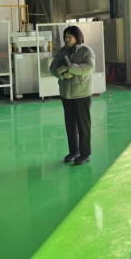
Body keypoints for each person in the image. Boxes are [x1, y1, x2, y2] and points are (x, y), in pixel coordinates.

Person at [49, 26, 95, 165]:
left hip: (82, 93)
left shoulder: (86, 51)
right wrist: (62, 75)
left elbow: (88, 68)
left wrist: (68, 67)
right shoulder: (62, 52)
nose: (67, 39)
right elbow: (53, 68)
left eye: (70, 36)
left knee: (83, 125)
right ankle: (74, 152)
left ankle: (85, 154)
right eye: (65, 36)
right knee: (70, 125)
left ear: (77, 37)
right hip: (66, 94)